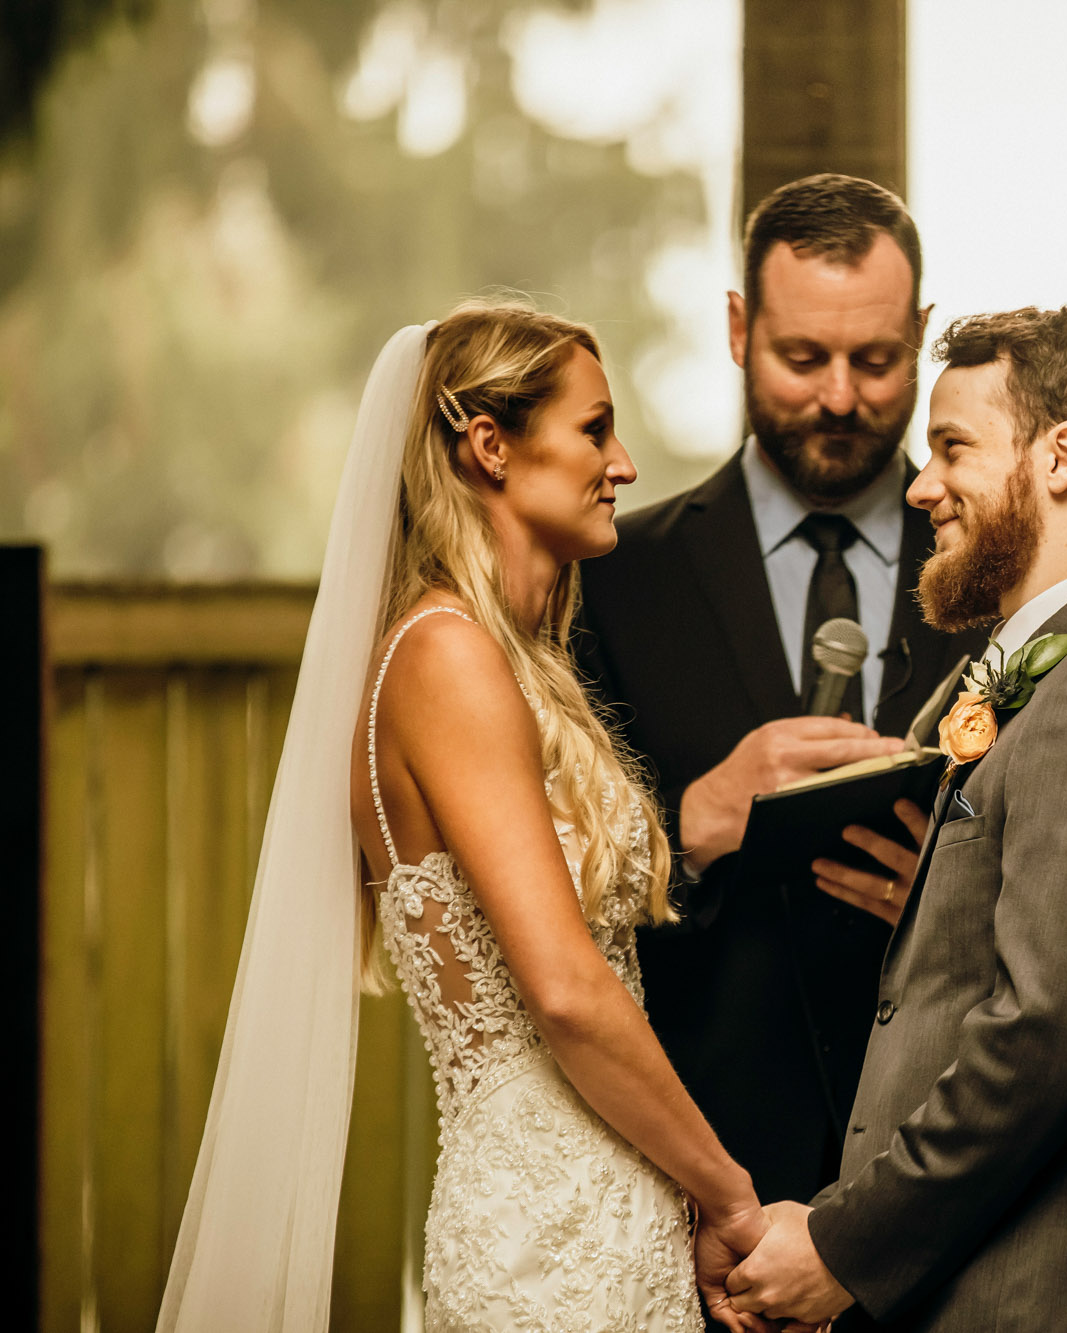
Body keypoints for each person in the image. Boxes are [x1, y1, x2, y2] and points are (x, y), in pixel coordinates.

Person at [158, 302, 767, 1333]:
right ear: (489, 446)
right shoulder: (443, 657)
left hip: (613, 1222)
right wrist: (730, 1191)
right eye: (593, 429)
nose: (622, 463)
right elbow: (568, 991)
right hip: (542, 1244)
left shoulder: (521, 665)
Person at [725, 305, 1067, 1331]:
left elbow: (1040, 1036)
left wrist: (840, 1246)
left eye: (951, 447)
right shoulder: (1048, 684)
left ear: (1063, 456)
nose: (918, 487)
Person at [573, 175, 987, 1215]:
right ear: (736, 327)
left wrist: (957, 912)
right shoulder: (618, 580)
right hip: (696, 1197)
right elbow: (547, 899)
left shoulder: (1000, 580)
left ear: (921, 332)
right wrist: (688, 825)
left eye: (877, 360)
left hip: (948, 1202)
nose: (839, 397)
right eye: (802, 358)